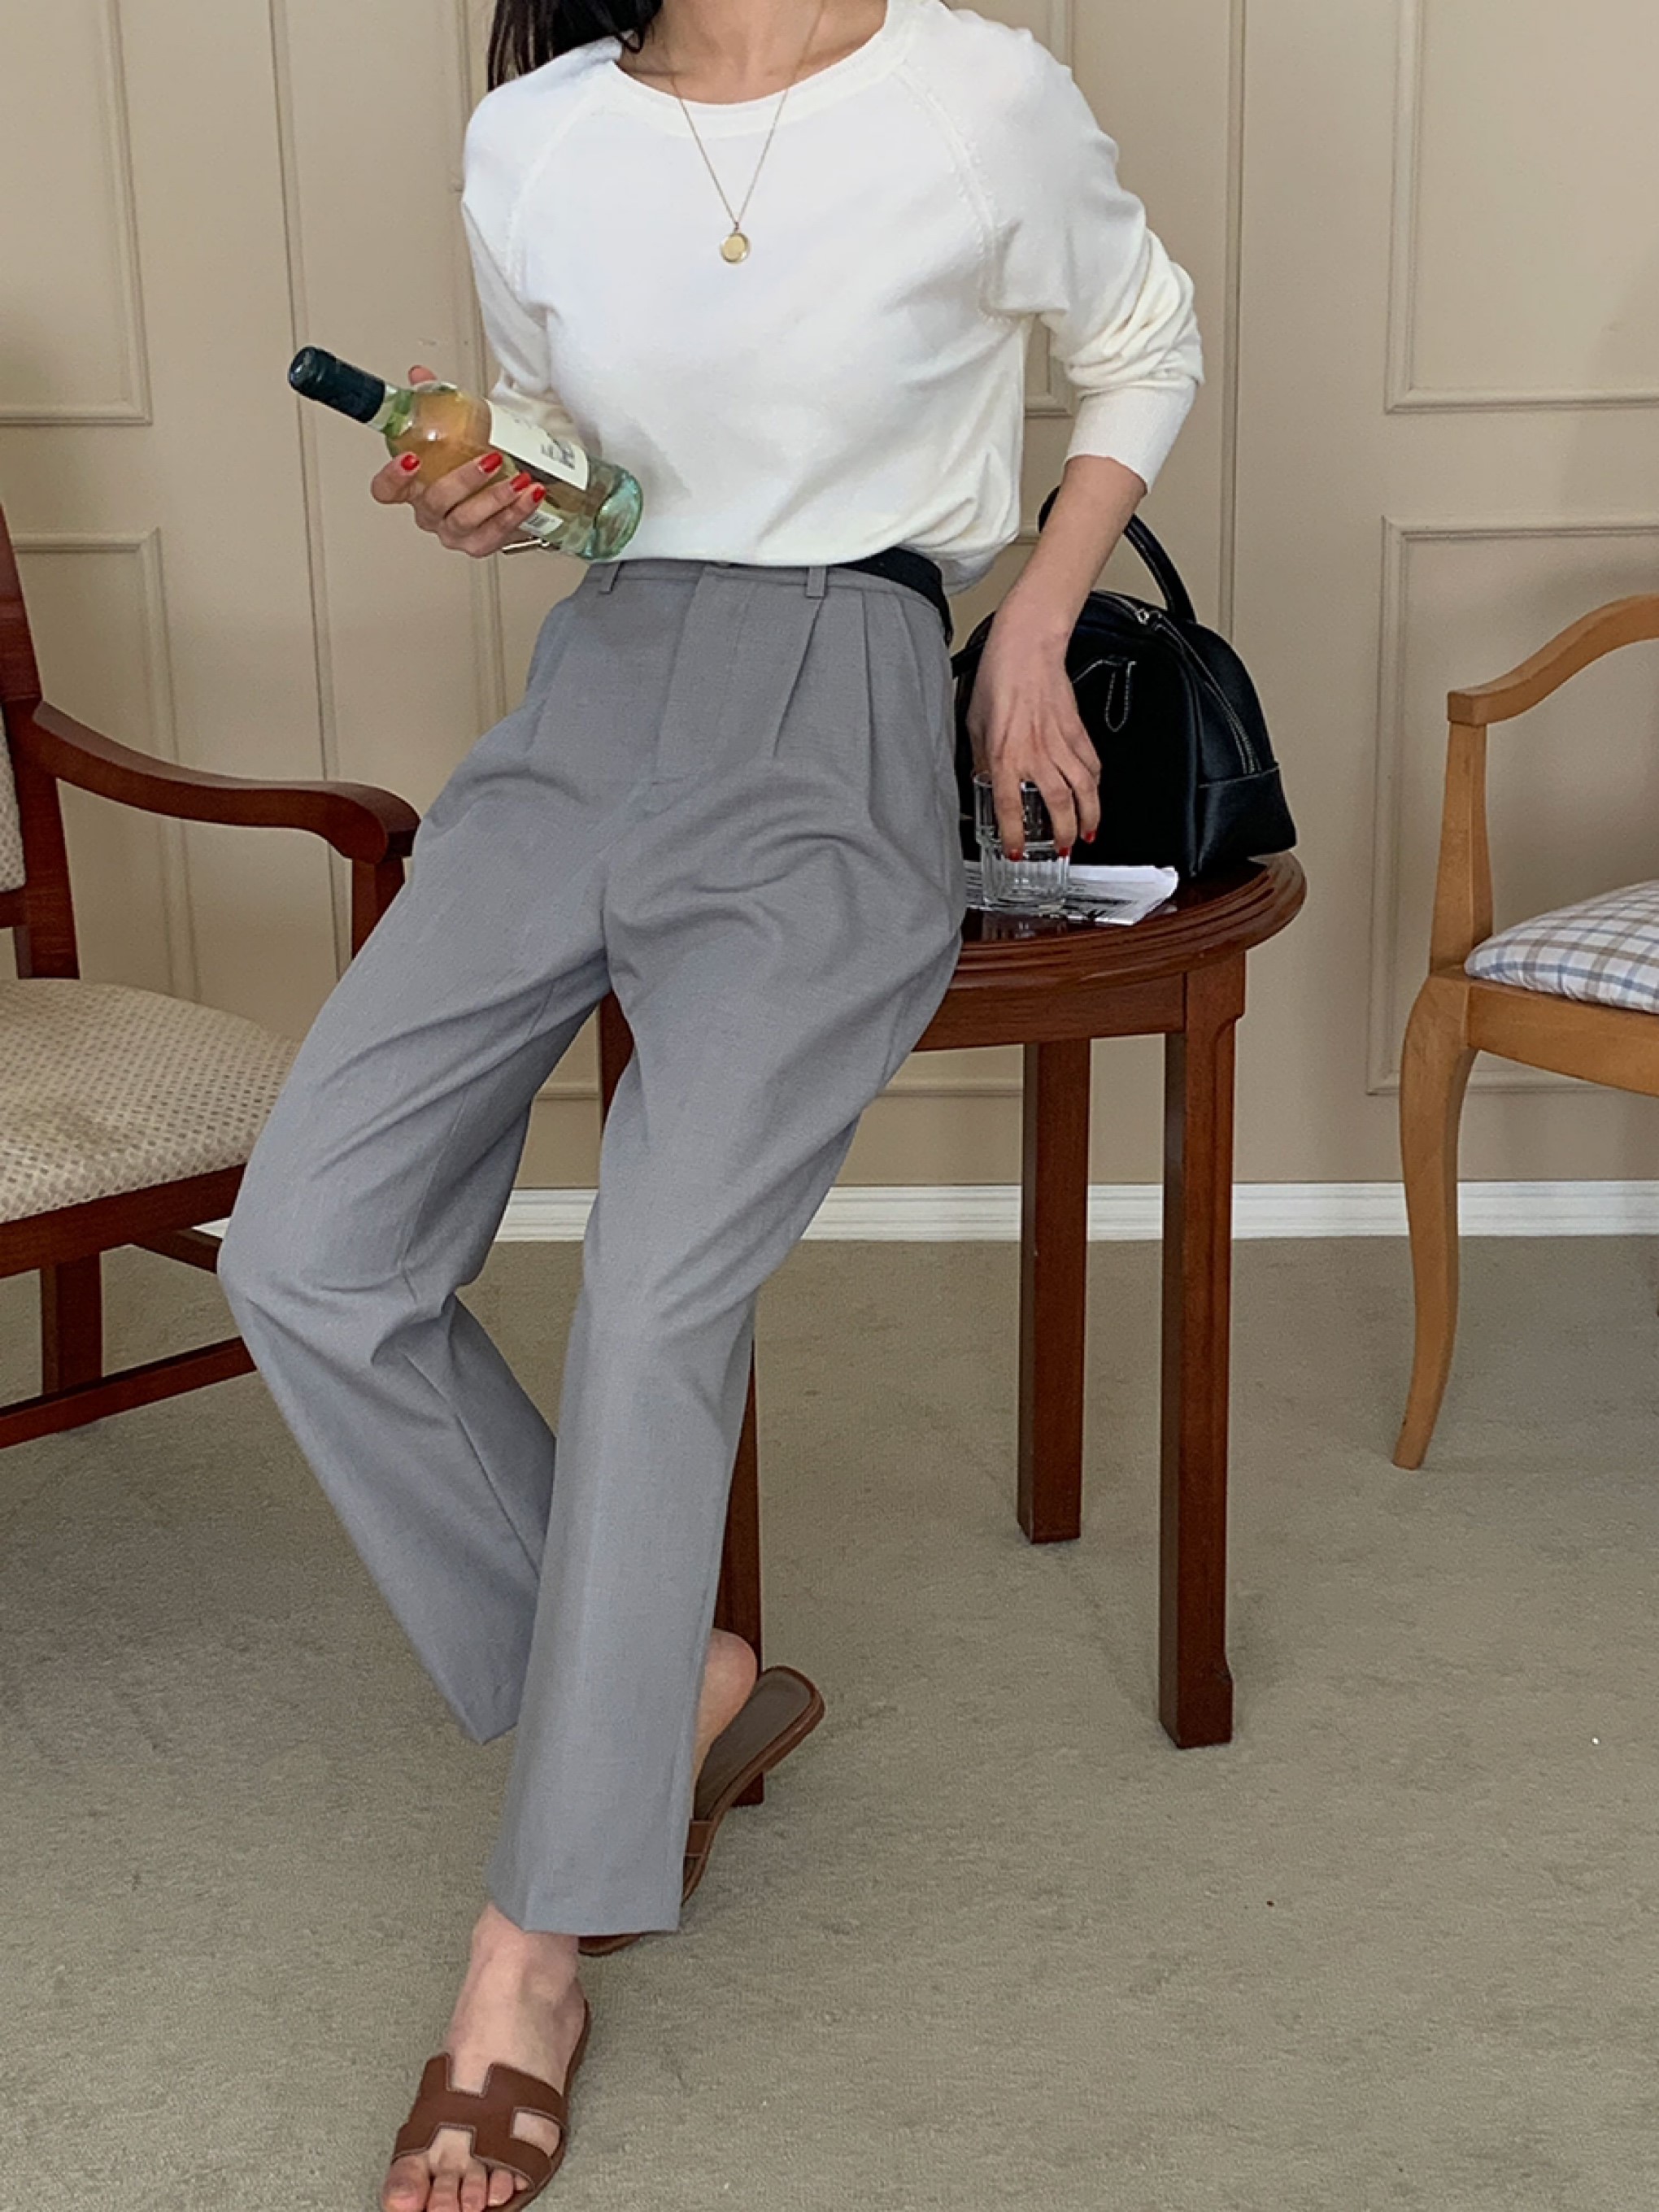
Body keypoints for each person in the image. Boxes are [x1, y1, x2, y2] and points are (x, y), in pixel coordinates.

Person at [217, 0, 1202, 2203]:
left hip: (841, 702)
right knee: (305, 1250)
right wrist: (490, 496)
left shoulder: (974, 90)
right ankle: (666, 1679)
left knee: (658, 1290)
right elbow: (591, 481)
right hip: (593, 689)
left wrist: (1028, 623)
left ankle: (528, 1953)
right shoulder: (536, 137)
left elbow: (1146, 339)